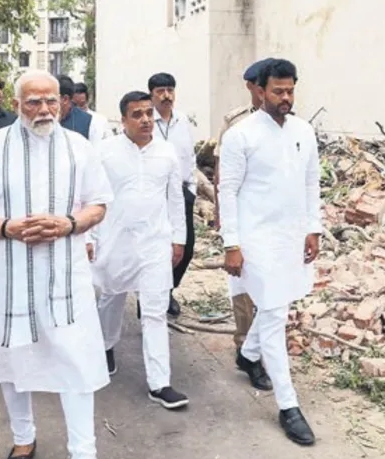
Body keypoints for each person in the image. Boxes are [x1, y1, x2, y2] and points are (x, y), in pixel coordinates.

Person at [0, 70, 133, 459]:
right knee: (13, 359)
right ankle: (22, 441)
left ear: (62, 102)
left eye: (52, 101)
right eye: (33, 102)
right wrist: (7, 227)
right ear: (16, 105)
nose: (44, 110)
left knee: (77, 363)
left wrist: (69, 223)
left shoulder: (79, 147)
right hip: (4, 276)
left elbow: (99, 204)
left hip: (65, 279)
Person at [218, 59, 321, 446]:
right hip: (255, 239)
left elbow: (311, 183)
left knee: (280, 302)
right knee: (275, 313)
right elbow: (227, 191)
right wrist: (232, 243)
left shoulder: (304, 131)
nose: (285, 97)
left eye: (290, 90)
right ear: (260, 91)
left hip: (291, 236)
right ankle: (288, 405)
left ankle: (247, 354)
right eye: (278, 91)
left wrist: (313, 228)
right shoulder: (240, 135)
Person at [93, 91, 188, 409]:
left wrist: (179, 239)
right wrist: (90, 238)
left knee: (155, 311)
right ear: (123, 120)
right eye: (137, 114)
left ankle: (160, 384)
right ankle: (105, 346)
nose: (146, 119)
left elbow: (175, 199)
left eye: (149, 113)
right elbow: (92, 197)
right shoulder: (105, 152)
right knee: (111, 296)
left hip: (155, 243)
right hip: (115, 241)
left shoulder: (167, 152)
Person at [209, 59, 270, 390]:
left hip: (273, 222)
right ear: (252, 87)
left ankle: (260, 348)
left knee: (274, 290)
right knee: (243, 289)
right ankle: (247, 350)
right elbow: (222, 178)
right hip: (243, 220)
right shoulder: (236, 123)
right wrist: (223, 222)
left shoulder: (291, 125)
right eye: (264, 86)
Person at [147, 72, 197, 316]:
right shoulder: (146, 121)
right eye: (160, 91)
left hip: (182, 191)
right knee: (157, 246)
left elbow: (190, 155)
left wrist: (192, 189)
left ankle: (168, 290)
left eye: (170, 90)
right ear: (151, 95)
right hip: (155, 193)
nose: (166, 96)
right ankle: (150, 294)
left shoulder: (182, 120)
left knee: (185, 247)